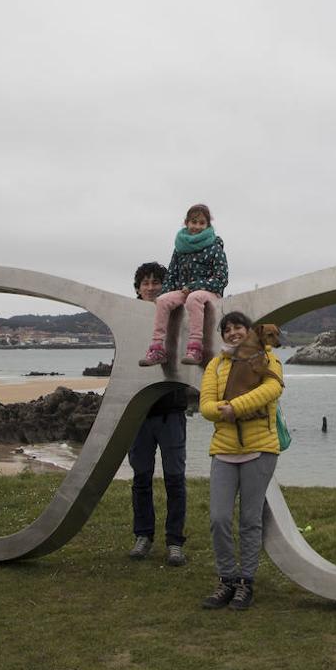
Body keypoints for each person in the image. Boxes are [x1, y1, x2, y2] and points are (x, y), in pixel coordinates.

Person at [197, 311, 284, 611]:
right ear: (222, 336)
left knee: (249, 520)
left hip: (260, 449)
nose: (233, 333)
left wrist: (235, 406)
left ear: (250, 331)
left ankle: (246, 583)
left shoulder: (267, 358)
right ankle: (226, 580)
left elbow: (272, 389)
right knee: (219, 519)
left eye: (238, 328)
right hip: (223, 449)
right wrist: (223, 409)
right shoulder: (216, 364)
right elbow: (205, 404)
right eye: (227, 329)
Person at [127, 262, 189, 566]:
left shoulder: (179, 313)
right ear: (137, 288)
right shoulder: (129, 319)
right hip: (138, 412)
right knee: (141, 478)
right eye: (145, 282)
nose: (151, 287)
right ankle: (143, 536)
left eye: (157, 282)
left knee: (175, 479)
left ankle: (175, 541)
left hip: (171, 410)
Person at [139, 203, 228, 367]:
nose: (197, 226)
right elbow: (172, 274)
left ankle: (195, 348)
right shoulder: (180, 248)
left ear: (208, 225)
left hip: (208, 291)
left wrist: (195, 286)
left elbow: (221, 278)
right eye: (194, 222)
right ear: (186, 222)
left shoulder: (215, 247)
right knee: (163, 300)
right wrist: (164, 294)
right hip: (184, 291)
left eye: (202, 223)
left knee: (194, 298)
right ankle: (157, 349)